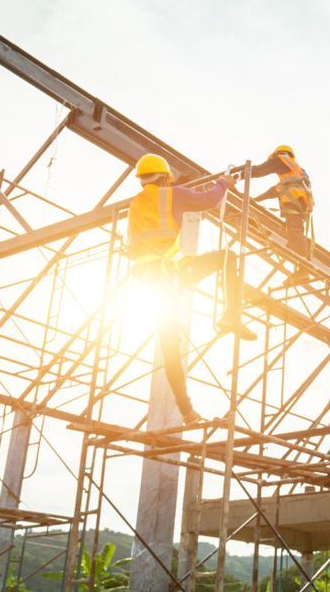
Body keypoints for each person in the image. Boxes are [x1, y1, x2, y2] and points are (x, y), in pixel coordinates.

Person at [128, 153, 257, 424]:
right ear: (165, 177)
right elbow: (209, 200)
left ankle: (187, 412)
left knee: (170, 349)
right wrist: (223, 182)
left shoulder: (135, 205)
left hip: (150, 282)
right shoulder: (173, 194)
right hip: (171, 275)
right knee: (226, 258)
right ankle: (231, 315)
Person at [251, 145, 315, 284]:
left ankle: (304, 270)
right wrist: (256, 199)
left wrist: (238, 174)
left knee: (295, 233)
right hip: (300, 206)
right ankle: (300, 271)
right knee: (294, 236)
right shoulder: (295, 173)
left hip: (294, 204)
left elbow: (259, 170)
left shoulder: (281, 159)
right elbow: (274, 191)